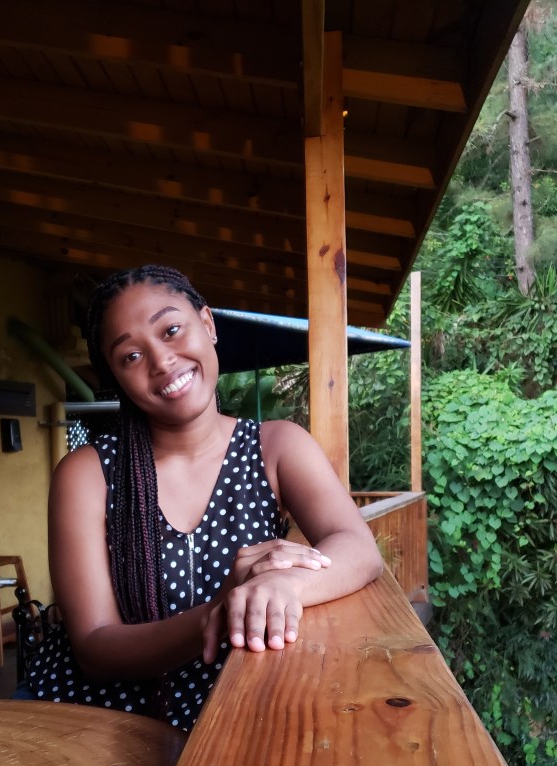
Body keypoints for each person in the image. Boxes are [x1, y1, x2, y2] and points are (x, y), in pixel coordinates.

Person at [23, 265, 383, 730]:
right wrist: (219, 609)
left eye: (171, 330)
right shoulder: (87, 474)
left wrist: (284, 584)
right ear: (114, 376)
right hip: (103, 722)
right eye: (131, 356)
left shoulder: (276, 446)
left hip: (239, 705)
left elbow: (358, 547)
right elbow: (95, 647)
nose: (161, 361)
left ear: (207, 323)